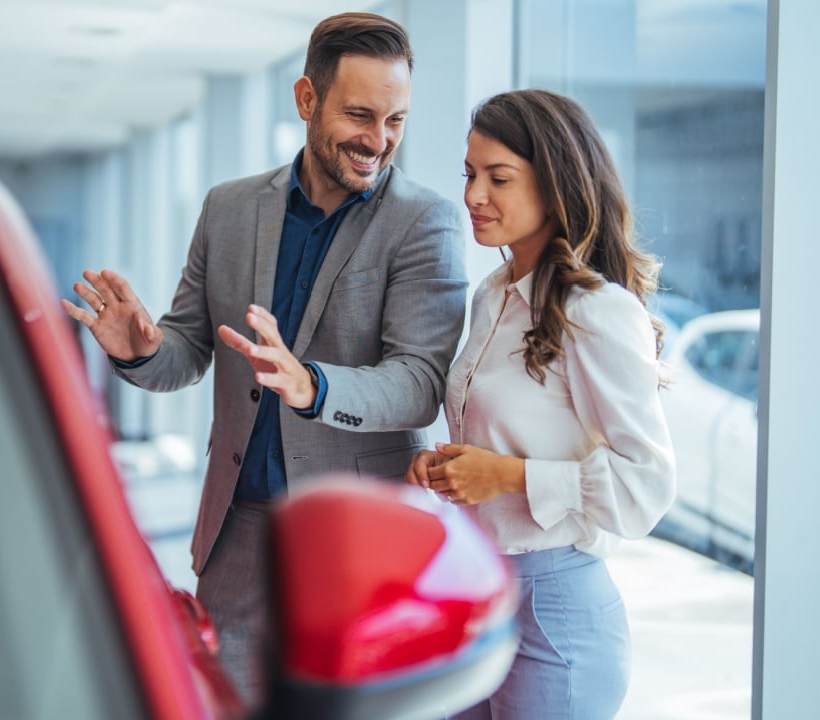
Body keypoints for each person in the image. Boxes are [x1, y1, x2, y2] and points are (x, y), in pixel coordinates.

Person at [61, 12, 467, 708]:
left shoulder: (423, 222)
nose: (379, 141)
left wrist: (312, 386)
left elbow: (420, 382)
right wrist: (142, 351)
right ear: (307, 100)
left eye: (396, 119)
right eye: (360, 114)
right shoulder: (227, 209)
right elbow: (189, 350)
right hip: (240, 534)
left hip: (358, 540)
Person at [406, 89, 677, 720]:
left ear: (556, 185)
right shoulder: (490, 294)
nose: (474, 195)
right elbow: (514, 431)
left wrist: (504, 475)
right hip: (478, 594)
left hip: (558, 613)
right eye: (470, 175)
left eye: (498, 178)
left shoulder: (598, 311)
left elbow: (647, 487)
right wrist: (449, 467)